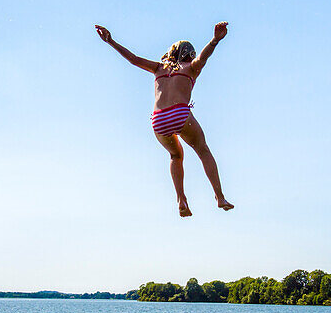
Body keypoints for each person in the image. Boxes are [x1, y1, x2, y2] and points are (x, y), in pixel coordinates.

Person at [96, 22, 234, 217]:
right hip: (179, 114)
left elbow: (133, 59)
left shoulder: (158, 68)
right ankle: (219, 197)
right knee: (202, 150)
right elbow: (204, 57)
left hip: (158, 120)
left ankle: (181, 199)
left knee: (176, 156)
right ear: (189, 54)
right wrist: (215, 40)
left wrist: (110, 41)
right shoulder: (191, 67)